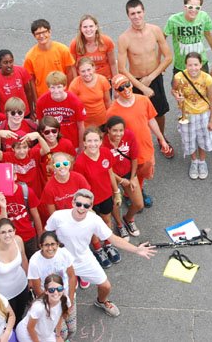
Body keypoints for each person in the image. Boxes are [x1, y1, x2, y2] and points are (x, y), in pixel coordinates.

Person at [44, 189, 156, 317]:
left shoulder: (94, 220)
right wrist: (48, 255)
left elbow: (113, 239)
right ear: (73, 202)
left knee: (106, 286)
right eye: (79, 204)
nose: (81, 208)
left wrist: (136, 249)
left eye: (86, 205)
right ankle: (57, 320)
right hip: (61, 262)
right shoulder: (58, 216)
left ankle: (101, 302)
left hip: (83, 259)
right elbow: (46, 234)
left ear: (91, 206)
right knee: (61, 298)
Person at [117, 0, 174, 156]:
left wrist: (151, 77)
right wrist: (142, 86)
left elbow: (168, 57)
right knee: (135, 115)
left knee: (160, 112)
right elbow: (121, 68)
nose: (136, 16)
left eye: (139, 12)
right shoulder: (124, 38)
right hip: (136, 82)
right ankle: (137, 143)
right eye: (132, 13)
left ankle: (161, 138)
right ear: (128, 16)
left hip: (153, 78)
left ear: (144, 12)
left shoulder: (155, 30)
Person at [106, 74, 169, 208]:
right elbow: (111, 135)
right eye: (121, 88)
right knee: (130, 175)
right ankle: (130, 194)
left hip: (146, 147)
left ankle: (139, 190)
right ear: (116, 92)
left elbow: (151, 120)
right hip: (127, 153)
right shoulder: (112, 112)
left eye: (127, 84)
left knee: (143, 173)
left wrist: (162, 139)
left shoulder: (143, 100)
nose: (126, 89)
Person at [73, 128, 122, 265]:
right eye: (89, 141)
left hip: (106, 195)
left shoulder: (106, 152)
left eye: (96, 140)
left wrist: (116, 191)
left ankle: (108, 244)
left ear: (101, 141)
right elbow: (80, 187)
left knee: (107, 220)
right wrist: (87, 207)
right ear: (84, 143)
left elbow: (110, 173)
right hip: (91, 201)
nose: (93, 144)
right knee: (92, 226)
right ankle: (98, 248)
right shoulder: (80, 162)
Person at [171, 52, 212, 179]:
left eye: (196, 64)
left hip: (203, 113)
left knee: (203, 139)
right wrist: (176, 96)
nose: (193, 68)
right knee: (189, 140)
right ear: (185, 65)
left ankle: (202, 161)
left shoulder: (207, 78)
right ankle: (194, 161)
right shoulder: (179, 76)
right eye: (190, 65)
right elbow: (173, 90)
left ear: (201, 65)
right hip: (187, 113)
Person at [27, 232, 77, 339]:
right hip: (50, 303)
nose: (50, 248)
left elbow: (72, 276)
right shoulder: (35, 261)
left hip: (66, 297)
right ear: (40, 246)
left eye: (53, 244)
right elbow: (37, 290)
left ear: (58, 244)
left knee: (72, 329)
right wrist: (54, 306)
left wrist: (71, 300)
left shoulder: (64, 254)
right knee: (61, 332)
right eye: (46, 245)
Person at [0, 218, 30, 325]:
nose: (7, 235)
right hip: (3, 296)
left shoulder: (18, 240)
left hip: (22, 287)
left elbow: (24, 259)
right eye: (3, 232)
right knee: (8, 322)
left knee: (20, 316)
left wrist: (29, 280)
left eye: (10, 231)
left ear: (14, 231)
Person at [102, 116, 142, 236]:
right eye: (114, 130)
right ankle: (119, 224)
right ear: (108, 130)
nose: (118, 134)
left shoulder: (129, 135)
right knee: (115, 203)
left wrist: (133, 177)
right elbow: (106, 167)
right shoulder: (102, 142)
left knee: (139, 204)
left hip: (128, 172)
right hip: (110, 176)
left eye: (121, 130)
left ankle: (128, 218)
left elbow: (134, 158)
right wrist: (120, 180)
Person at [0, 172, 42, 260]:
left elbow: (36, 216)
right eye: (2, 179)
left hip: (29, 237)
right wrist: (3, 207)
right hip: (8, 239)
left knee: (33, 262)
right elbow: (0, 225)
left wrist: (40, 237)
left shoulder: (26, 191)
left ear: (15, 177)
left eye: (9, 178)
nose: (6, 182)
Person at [164, 0, 212, 75]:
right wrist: (163, 62)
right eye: (190, 7)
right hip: (181, 66)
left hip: (201, 64)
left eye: (197, 8)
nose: (193, 10)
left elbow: (208, 34)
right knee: (179, 88)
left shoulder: (203, 16)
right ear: (185, 7)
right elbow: (162, 39)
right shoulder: (173, 20)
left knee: (203, 87)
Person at [0, 130, 50, 207]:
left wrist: (38, 136)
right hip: (20, 197)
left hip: (36, 193)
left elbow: (46, 150)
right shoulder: (8, 157)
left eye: (25, 147)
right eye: (18, 148)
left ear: (29, 148)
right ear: (13, 149)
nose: (22, 151)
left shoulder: (33, 153)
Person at [23, 19, 76, 97]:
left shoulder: (62, 50)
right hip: (43, 96)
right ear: (34, 35)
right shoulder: (30, 56)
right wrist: (36, 100)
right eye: (38, 33)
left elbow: (70, 73)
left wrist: (70, 93)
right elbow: (31, 82)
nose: (41, 36)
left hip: (62, 94)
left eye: (44, 32)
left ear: (49, 32)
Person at [36, 71, 86, 151]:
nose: (56, 91)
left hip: (72, 143)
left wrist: (81, 146)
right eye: (53, 87)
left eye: (59, 87)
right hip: (51, 144)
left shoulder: (75, 102)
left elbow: (81, 126)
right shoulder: (41, 102)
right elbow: (40, 126)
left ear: (65, 86)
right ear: (48, 87)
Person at [15, 274, 70, 342]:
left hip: (45, 333)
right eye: (51, 290)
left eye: (59, 289)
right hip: (27, 334)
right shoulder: (39, 307)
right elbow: (30, 328)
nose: (56, 293)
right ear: (46, 291)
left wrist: (58, 335)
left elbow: (60, 317)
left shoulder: (65, 300)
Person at [0, 49, 36, 119]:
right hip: (9, 116)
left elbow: (29, 93)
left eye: (11, 62)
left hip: (25, 113)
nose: (9, 65)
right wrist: (2, 120)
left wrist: (32, 112)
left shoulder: (22, 71)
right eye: (5, 63)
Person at [0, 98, 37, 164]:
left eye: (20, 112)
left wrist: (38, 135)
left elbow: (39, 151)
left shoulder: (32, 127)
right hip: (8, 168)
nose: (17, 115)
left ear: (24, 112)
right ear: (7, 113)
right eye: (13, 113)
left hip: (28, 167)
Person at [69, 14, 117, 81]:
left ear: (96, 27)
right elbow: (73, 66)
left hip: (105, 79)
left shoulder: (106, 41)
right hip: (85, 79)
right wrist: (76, 81)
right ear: (81, 29)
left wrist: (116, 81)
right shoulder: (75, 44)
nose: (88, 29)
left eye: (91, 26)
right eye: (85, 27)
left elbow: (113, 64)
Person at [68, 57, 111, 128]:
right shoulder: (75, 84)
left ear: (94, 68)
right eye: (83, 71)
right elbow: (71, 106)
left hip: (102, 121)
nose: (87, 74)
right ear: (78, 71)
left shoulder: (102, 80)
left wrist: (110, 118)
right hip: (84, 123)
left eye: (89, 70)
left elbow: (107, 101)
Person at [36, 117, 76, 189]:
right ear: (42, 133)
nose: (51, 134)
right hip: (49, 186)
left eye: (54, 131)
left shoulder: (67, 144)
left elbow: (73, 164)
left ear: (58, 130)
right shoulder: (37, 149)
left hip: (67, 182)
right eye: (47, 132)